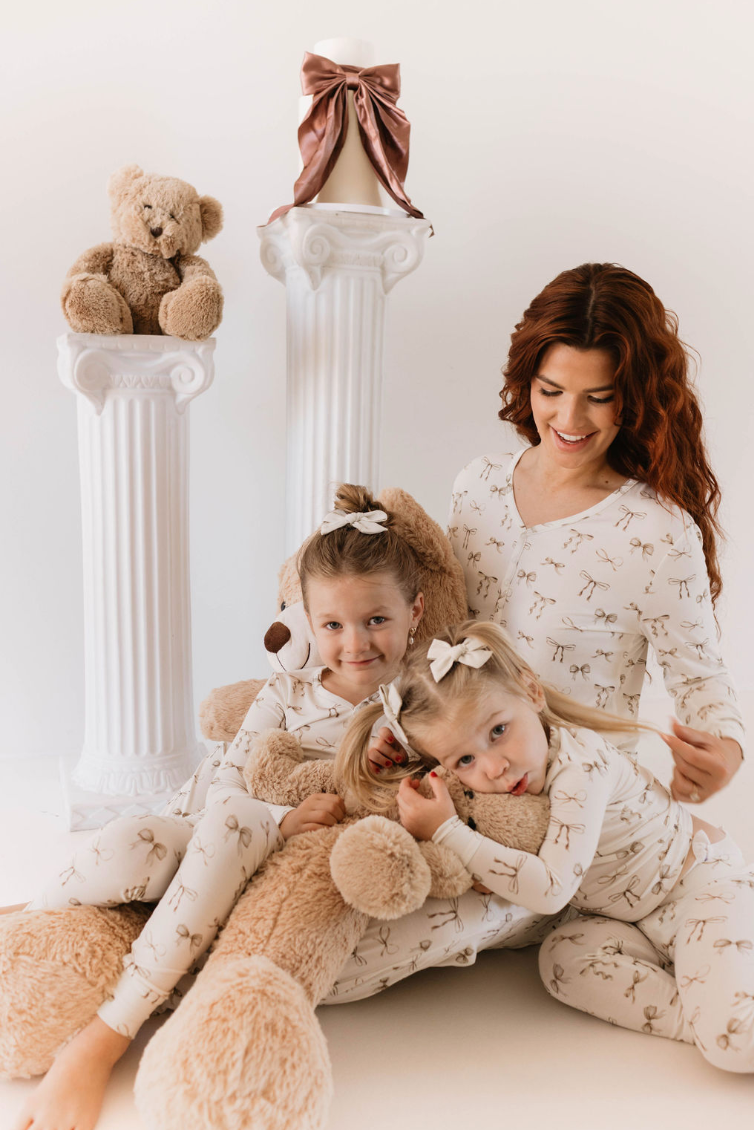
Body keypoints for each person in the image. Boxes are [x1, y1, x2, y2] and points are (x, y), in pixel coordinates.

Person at [11, 483, 425, 1130]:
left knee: (234, 825)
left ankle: (104, 1038)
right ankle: (30, 922)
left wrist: (320, 804)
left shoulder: (416, 707)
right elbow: (230, 780)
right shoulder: (286, 690)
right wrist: (277, 816)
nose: (356, 644)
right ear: (309, 624)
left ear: (416, 611)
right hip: (205, 827)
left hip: (264, 855)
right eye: (334, 625)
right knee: (132, 837)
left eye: (377, 620)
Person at [337, 621, 754, 1072]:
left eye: (498, 731)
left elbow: (552, 890)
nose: (495, 767)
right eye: (465, 760)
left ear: (532, 692)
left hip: (696, 884)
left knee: (734, 1044)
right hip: (625, 920)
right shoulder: (502, 781)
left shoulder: (583, 766)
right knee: (561, 959)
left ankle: (721, 1021)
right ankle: (699, 1016)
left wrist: (447, 831)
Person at [447, 262, 744, 805]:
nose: (570, 417)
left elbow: (700, 676)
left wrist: (725, 751)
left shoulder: (655, 530)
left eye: (599, 397)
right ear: (526, 381)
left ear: (633, 396)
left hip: (581, 811)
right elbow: (437, 639)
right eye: (551, 390)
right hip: (465, 791)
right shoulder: (477, 486)